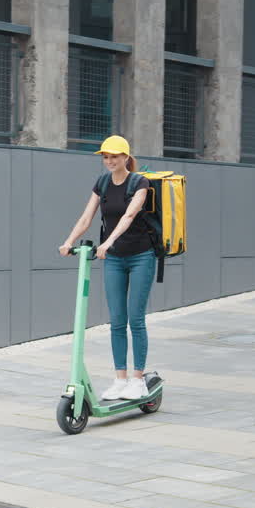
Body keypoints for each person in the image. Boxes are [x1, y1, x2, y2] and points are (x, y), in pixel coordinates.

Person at [58, 135, 156, 401]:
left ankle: (138, 379)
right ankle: (120, 379)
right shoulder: (101, 183)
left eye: (114, 156)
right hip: (113, 259)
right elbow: (87, 216)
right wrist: (69, 241)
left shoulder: (140, 183)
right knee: (116, 321)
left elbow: (129, 215)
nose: (110, 161)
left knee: (135, 319)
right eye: (106, 157)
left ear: (126, 157)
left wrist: (109, 241)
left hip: (140, 256)